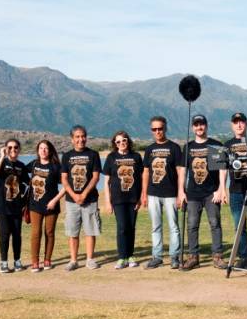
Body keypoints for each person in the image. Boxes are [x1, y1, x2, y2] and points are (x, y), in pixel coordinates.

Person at [179, 114, 228, 271]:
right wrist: (181, 191)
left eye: (202, 124)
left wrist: (221, 189)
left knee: (215, 224)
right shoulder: (188, 147)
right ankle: (193, 257)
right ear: (193, 127)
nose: (199, 127)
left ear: (206, 126)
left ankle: (218, 256)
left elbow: (222, 168)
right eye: (196, 124)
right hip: (193, 193)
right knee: (192, 225)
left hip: (211, 193)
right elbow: (183, 171)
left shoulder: (215, 145)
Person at [140, 116, 184, 269]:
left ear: (165, 128)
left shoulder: (175, 148)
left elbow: (180, 172)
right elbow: (145, 173)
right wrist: (144, 194)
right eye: (154, 129)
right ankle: (157, 256)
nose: (157, 131)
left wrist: (181, 193)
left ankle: (174, 257)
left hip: (171, 194)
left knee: (174, 226)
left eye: (160, 128)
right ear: (151, 131)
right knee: (155, 227)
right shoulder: (149, 149)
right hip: (153, 194)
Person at [222, 112, 247, 269]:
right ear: (232, 125)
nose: (239, 125)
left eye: (242, 122)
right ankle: (244, 257)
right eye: (236, 122)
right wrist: (222, 189)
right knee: (239, 226)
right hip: (235, 191)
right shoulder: (227, 144)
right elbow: (223, 169)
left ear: (246, 124)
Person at [60, 125, 102, 271]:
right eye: (77, 137)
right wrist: (74, 195)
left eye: (83, 136)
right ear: (72, 139)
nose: (80, 139)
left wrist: (84, 194)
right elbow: (64, 179)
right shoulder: (66, 156)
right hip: (72, 201)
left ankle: (90, 259)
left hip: (90, 200)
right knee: (73, 231)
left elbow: (96, 177)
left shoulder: (93, 155)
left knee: (90, 230)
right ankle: (73, 260)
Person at [103, 130, 144, 270]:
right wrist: (107, 202)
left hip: (133, 198)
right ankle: (122, 257)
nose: (122, 143)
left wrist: (141, 198)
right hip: (118, 199)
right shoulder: (111, 157)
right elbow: (106, 181)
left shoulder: (136, 156)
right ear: (115, 144)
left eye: (124, 140)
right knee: (122, 228)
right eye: (118, 141)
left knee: (131, 227)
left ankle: (130, 256)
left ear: (128, 141)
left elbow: (142, 178)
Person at [0, 138, 29, 273]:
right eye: (10, 147)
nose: (13, 150)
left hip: (16, 206)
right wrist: (1, 157)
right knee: (5, 234)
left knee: (17, 235)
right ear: (6, 148)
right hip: (1, 206)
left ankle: (17, 261)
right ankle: (4, 262)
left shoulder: (21, 166)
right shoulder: (2, 162)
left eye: (16, 147)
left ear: (19, 149)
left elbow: (27, 184)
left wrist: (24, 202)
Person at [27, 140, 65, 272]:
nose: (43, 151)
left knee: (49, 232)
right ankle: (35, 262)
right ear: (38, 150)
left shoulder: (56, 166)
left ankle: (47, 259)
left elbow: (66, 185)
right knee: (36, 233)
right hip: (35, 204)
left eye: (46, 148)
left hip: (51, 205)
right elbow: (18, 172)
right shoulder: (33, 164)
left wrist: (55, 200)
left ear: (50, 151)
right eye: (41, 148)